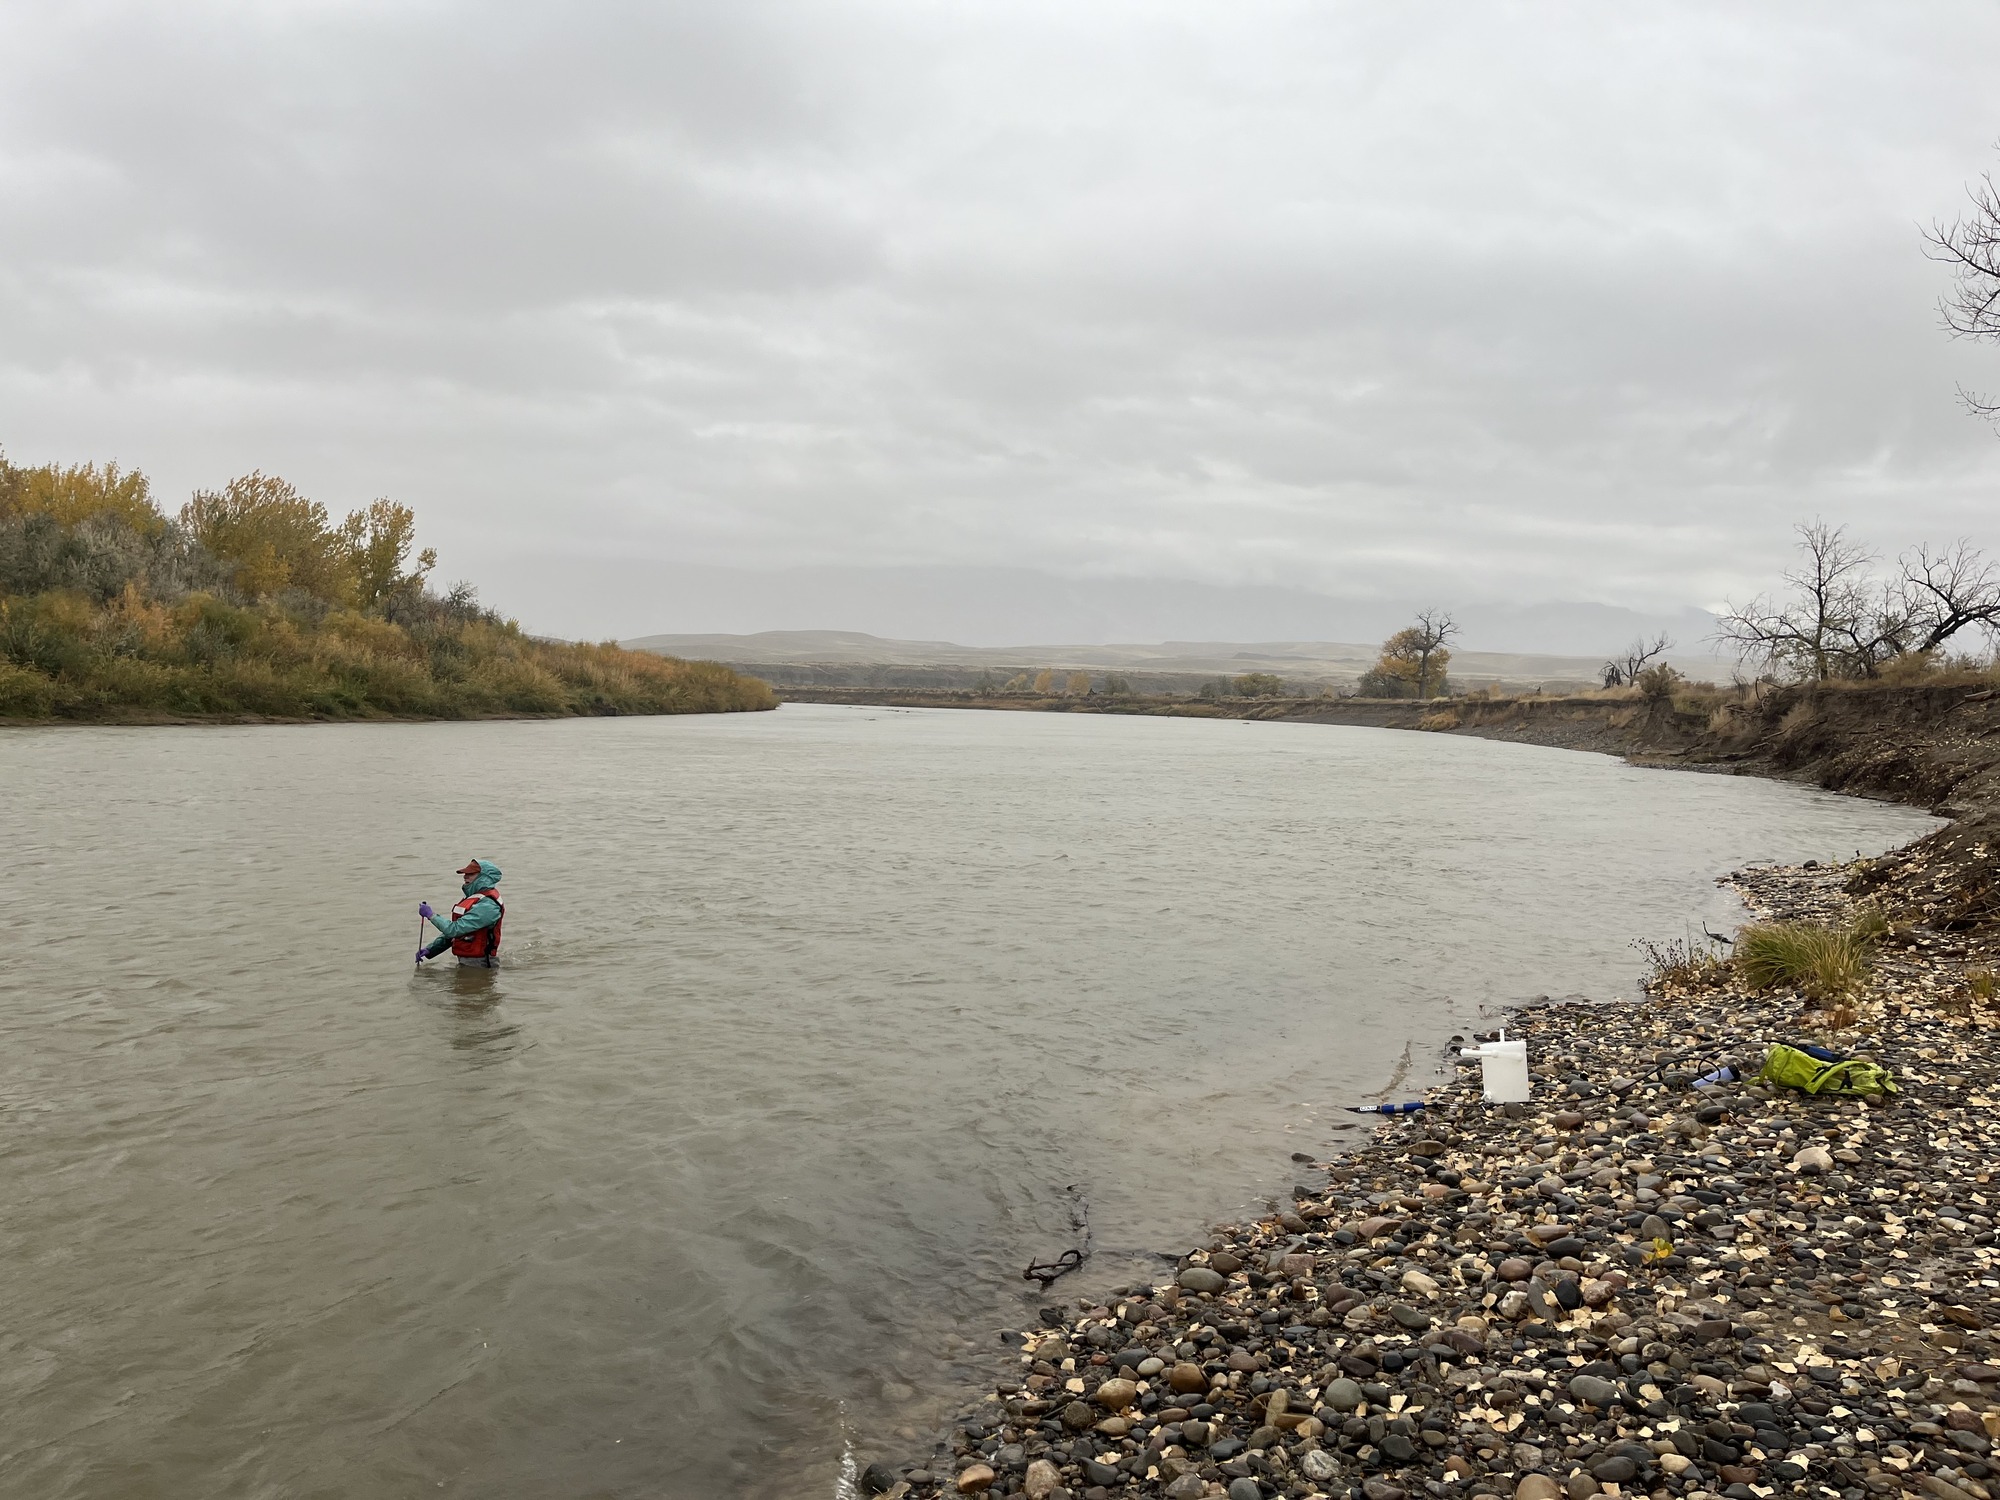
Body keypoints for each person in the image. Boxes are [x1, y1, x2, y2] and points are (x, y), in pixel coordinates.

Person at [417, 859, 505, 968]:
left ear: (484, 877)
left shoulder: (488, 906)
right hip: (467, 961)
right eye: (465, 874)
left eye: (471, 874)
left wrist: (431, 915)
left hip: (482, 965)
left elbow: (455, 930)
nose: (465, 876)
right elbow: (454, 934)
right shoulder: (473, 899)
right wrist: (430, 950)